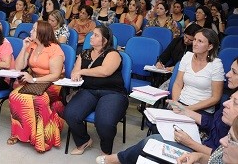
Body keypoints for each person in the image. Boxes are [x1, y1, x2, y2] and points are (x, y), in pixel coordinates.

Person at [97, 66, 238, 164]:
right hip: (202, 145)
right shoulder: (230, 102)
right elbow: (212, 123)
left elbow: (217, 153)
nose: (228, 74)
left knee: (152, 142)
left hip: (201, 144)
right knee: (155, 139)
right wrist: (185, 110)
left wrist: (190, 143)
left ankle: (118, 159)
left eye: (234, 72)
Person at [64, 26, 128, 156]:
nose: (91, 37)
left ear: (104, 40)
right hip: (88, 90)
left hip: (112, 92)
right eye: (92, 34)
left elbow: (105, 71)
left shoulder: (113, 54)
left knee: (105, 122)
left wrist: (82, 71)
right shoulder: (84, 53)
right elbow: (74, 72)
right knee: (70, 114)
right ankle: (84, 141)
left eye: (95, 35)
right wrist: (75, 75)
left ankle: (106, 151)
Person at [7, 21, 65, 153]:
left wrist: (33, 79)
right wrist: (23, 47)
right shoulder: (32, 45)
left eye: (34, 29)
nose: (31, 31)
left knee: (39, 100)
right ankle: (19, 133)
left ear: (41, 33)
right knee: (14, 96)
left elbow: (55, 75)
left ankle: (41, 139)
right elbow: (18, 67)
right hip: (33, 81)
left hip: (52, 83)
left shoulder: (55, 49)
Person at [169, 28, 224, 115]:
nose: (195, 44)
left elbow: (215, 98)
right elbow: (178, 83)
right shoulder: (187, 56)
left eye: (200, 41)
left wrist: (187, 109)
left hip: (202, 110)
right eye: (194, 40)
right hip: (181, 103)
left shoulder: (216, 64)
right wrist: (175, 104)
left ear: (210, 46)